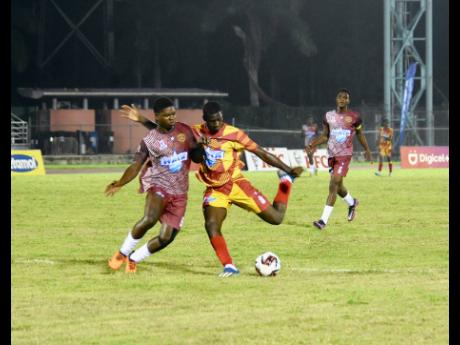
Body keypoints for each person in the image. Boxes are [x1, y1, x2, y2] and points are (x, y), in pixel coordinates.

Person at [128, 101, 304, 277]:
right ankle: (229, 266)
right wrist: (141, 119)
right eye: (213, 121)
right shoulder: (195, 132)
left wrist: (288, 169)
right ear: (205, 120)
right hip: (215, 190)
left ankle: (285, 182)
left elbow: (261, 152)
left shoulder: (234, 134)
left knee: (277, 218)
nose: (217, 124)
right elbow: (166, 133)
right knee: (211, 224)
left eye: (220, 120)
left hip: (236, 184)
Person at [106, 97, 205, 273]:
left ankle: (134, 258)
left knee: (167, 237)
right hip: (158, 186)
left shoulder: (185, 130)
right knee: (149, 219)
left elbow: (197, 158)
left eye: (173, 114)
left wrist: (201, 148)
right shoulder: (149, 140)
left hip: (180, 192)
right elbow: (136, 165)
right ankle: (121, 253)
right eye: (167, 115)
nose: (172, 118)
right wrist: (121, 183)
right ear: (157, 116)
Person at [306, 89, 372, 230]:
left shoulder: (354, 117)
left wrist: (367, 149)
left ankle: (323, 221)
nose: (342, 99)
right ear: (336, 100)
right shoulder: (328, 116)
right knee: (339, 186)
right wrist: (312, 144)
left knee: (333, 183)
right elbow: (325, 135)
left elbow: (360, 134)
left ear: (348, 101)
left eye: (345, 97)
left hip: (345, 155)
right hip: (332, 155)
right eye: (340, 97)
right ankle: (352, 203)